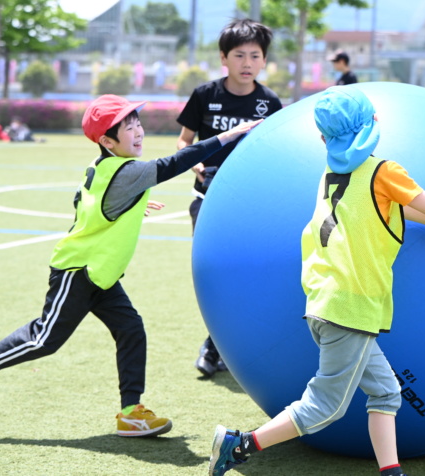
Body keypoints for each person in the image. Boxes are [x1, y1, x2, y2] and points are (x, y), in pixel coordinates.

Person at [0, 94, 261, 437]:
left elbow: (83, 201)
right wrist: (226, 137)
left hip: (102, 275)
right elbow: (175, 162)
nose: (138, 131)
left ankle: (131, 412)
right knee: (44, 339)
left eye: (137, 123)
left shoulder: (103, 167)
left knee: (131, 330)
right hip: (78, 272)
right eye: (128, 127)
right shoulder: (127, 171)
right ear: (106, 141)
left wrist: (130, 204)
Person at [208, 86, 425, 476]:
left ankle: (391, 472)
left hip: (327, 301)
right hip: (351, 307)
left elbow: (374, 209)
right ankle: (239, 445)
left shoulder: (333, 173)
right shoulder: (385, 171)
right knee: (325, 406)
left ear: (324, 137)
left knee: (386, 392)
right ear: (373, 124)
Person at [176, 18, 283, 379]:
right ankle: (215, 344)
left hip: (250, 208)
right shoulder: (205, 95)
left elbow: (277, 152)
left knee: (245, 275)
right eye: (239, 55)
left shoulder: (269, 103)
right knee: (215, 277)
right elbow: (183, 141)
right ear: (224, 58)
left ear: (264, 60)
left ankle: (218, 346)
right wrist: (196, 162)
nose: (247, 62)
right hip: (206, 201)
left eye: (255, 55)